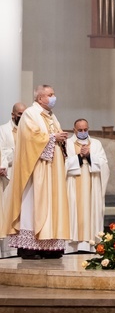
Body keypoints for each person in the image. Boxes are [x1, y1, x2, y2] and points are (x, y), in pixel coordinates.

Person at [4, 85, 70, 259]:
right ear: (40, 98)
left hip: (52, 170)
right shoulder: (30, 114)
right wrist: (52, 138)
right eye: (50, 95)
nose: (53, 97)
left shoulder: (51, 116)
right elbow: (29, 139)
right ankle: (30, 248)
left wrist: (61, 139)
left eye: (53, 94)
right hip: (36, 170)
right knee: (33, 203)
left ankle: (49, 247)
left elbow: (53, 136)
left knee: (51, 204)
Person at [65, 118, 109, 253]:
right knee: (73, 210)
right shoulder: (67, 144)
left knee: (91, 210)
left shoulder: (96, 143)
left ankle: (90, 244)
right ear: (74, 130)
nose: (83, 132)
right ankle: (72, 246)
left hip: (92, 184)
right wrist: (79, 157)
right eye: (80, 130)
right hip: (73, 183)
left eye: (85, 130)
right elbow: (62, 163)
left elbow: (104, 164)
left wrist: (89, 156)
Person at [0, 103, 26, 257]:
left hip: (24, 177)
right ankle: (7, 250)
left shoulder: (28, 131)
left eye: (24, 114)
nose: (22, 117)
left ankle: (23, 247)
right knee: (6, 212)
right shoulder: (3, 130)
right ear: (13, 114)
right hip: (7, 177)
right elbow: (2, 151)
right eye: (19, 114)